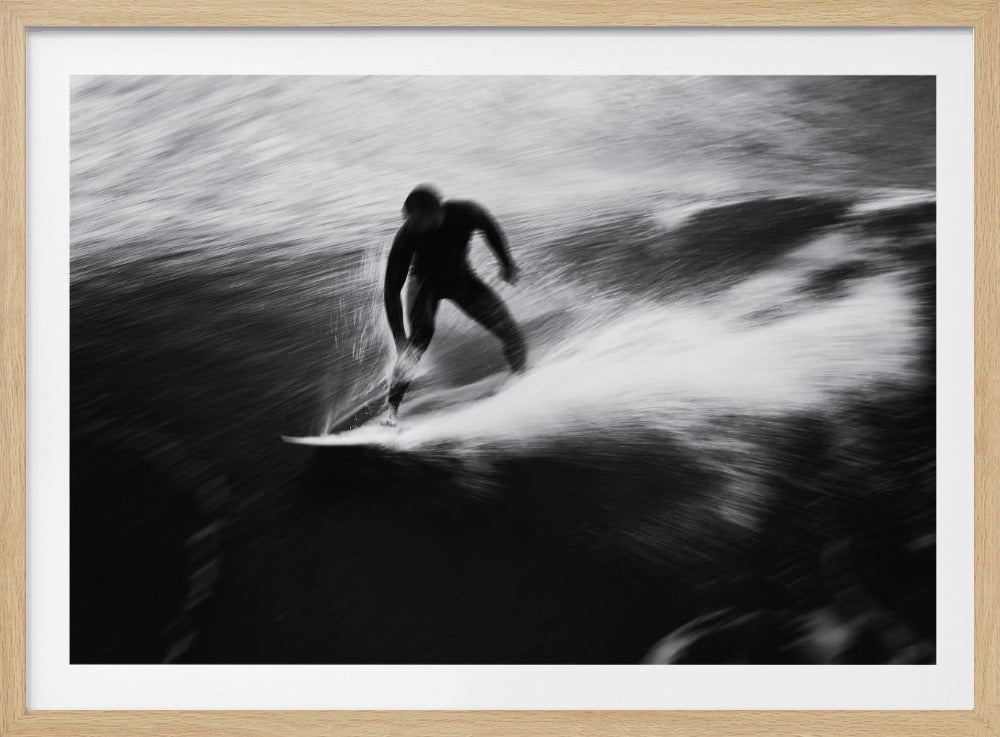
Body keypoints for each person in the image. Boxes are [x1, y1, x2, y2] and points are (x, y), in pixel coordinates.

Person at [382, 185, 527, 426]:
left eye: (418, 220)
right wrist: (399, 338)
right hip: (424, 285)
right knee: (417, 341)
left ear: (436, 210)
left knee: (510, 332)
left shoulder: (466, 212)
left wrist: (506, 263)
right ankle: (390, 411)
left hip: (461, 280)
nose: (413, 226)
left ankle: (521, 380)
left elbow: (489, 227)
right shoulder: (406, 236)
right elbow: (391, 291)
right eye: (409, 220)